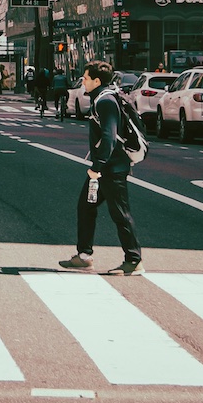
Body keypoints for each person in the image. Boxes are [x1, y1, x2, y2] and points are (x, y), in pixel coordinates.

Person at [60, 60, 142, 276]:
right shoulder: (102, 98)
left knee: (120, 213)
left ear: (97, 80)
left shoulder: (105, 102)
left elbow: (109, 136)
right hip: (106, 168)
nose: (83, 82)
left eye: (86, 78)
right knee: (86, 207)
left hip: (111, 169)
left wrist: (98, 166)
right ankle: (84, 256)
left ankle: (134, 260)